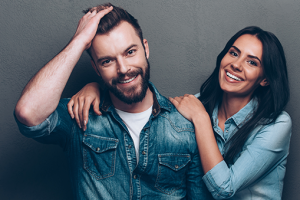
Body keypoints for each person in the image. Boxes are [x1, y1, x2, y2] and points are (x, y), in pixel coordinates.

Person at [14, 3, 212, 199]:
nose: (123, 69)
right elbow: (28, 112)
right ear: (96, 67)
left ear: (145, 48)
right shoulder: (79, 115)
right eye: (107, 61)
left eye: (130, 52)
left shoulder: (184, 125)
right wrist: (79, 41)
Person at [69, 26, 292, 199]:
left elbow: (224, 188)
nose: (236, 65)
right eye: (234, 53)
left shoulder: (275, 125)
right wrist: (98, 87)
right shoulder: (196, 105)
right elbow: (152, 106)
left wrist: (201, 119)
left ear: (264, 79)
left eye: (252, 62)